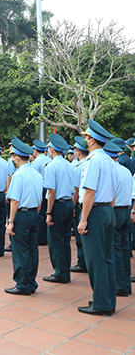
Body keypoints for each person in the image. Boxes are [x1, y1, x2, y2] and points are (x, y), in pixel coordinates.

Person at [77, 119, 118, 316]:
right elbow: (114, 191)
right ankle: (109, 300)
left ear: (92, 140)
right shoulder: (110, 161)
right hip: (108, 211)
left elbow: (90, 192)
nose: (85, 140)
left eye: (86, 137)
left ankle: (101, 303)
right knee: (107, 258)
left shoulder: (93, 161)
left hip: (95, 212)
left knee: (95, 260)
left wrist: (84, 219)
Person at [5, 135, 43, 295]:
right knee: (33, 250)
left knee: (20, 250)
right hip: (34, 214)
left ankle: (22, 284)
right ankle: (31, 282)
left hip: (21, 215)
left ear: (16, 158)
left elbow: (14, 200)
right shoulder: (37, 174)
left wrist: (11, 221)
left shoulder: (18, 175)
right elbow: (40, 198)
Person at [43, 133, 74, 284]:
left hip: (57, 205)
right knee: (65, 239)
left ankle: (60, 272)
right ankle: (65, 271)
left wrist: (48, 212)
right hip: (68, 203)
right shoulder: (70, 165)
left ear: (51, 150)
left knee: (56, 240)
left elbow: (51, 192)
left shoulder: (52, 166)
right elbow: (74, 188)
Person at [105, 142, 133, 297]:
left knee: (114, 250)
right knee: (123, 248)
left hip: (115, 211)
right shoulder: (126, 171)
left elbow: (112, 195)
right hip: (125, 211)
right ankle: (126, 284)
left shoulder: (112, 171)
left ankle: (119, 285)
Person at [70, 136, 89, 274]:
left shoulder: (78, 167)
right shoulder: (88, 164)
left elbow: (76, 190)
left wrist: (72, 207)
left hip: (81, 203)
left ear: (78, 152)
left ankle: (82, 262)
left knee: (80, 237)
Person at [32, 139, 51, 245]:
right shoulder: (48, 159)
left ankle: (41, 238)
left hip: (41, 188)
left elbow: (34, 177)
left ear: (35, 151)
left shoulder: (37, 162)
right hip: (48, 188)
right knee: (46, 212)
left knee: (40, 213)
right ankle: (46, 236)